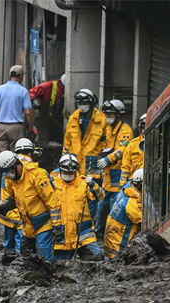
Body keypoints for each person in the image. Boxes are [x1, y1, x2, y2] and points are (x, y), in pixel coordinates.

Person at [0, 151, 61, 261]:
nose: (8, 174)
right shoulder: (11, 179)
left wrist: (57, 226)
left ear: (17, 165)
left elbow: (52, 203)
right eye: (6, 171)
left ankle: (48, 275)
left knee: (43, 257)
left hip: (43, 223)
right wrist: (1, 207)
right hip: (27, 225)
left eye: (9, 170)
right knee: (24, 255)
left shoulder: (37, 175)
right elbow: (13, 199)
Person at [62, 88, 106, 220]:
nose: (82, 106)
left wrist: (104, 159)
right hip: (75, 163)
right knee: (75, 192)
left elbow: (106, 141)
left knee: (91, 194)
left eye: (85, 103)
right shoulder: (73, 118)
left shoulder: (100, 119)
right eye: (80, 103)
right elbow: (67, 141)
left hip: (92, 164)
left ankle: (89, 221)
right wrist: (64, 157)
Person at [53, 154, 105, 261]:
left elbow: (101, 196)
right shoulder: (52, 185)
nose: (68, 175)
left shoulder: (83, 183)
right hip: (61, 235)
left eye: (71, 173)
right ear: (60, 170)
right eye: (66, 172)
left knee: (97, 257)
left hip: (83, 233)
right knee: (58, 266)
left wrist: (93, 184)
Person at [95, 99, 133, 236]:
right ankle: (99, 231)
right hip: (107, 173)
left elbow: (123, 149)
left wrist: (107, 159)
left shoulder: (125, 130)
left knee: (114, 204)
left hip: (117, 172)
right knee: (102, 204)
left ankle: (111, 233)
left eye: (111, 115)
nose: (108, 117)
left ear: (118, 115)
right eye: (107, 114)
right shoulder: (108, 128)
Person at [0, 138, 38, 254]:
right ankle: (18, 263)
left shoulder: (7, 164)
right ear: (30, 152)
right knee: (20, 243)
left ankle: (7, 259)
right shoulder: (28, 166)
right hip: (19, 213)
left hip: (7, 212)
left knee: (8, 242)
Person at [0, 65, 35, 158]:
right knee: (15, 155)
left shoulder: (0, 89)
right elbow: (28, 112)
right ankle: (13, 172)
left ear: (9, 74)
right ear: (21, 76)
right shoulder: (23, 91)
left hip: (1, 126)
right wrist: (31, 127)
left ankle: (0, 171)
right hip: (16, 127)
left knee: (0, 155)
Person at [103, 168, 143, 259]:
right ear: (140, 184)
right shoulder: (131, 202)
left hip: (111, 233)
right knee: (119, 260)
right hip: (119, 237)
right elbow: (141, 220)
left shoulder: (125, 190)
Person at [28, 73, 65, 142]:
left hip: (55, 117)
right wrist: (35, 102)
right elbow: (31, 93)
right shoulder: (48, 86)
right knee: (43, 138)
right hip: (42, 115)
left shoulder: (64, 91)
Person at [120, 113, 146, 187]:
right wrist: (123, 185)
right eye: (144, 128)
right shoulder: (133, 144)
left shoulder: (160, 145)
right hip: (134, 183)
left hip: (151, 183)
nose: (145, 130)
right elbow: (125, 166)